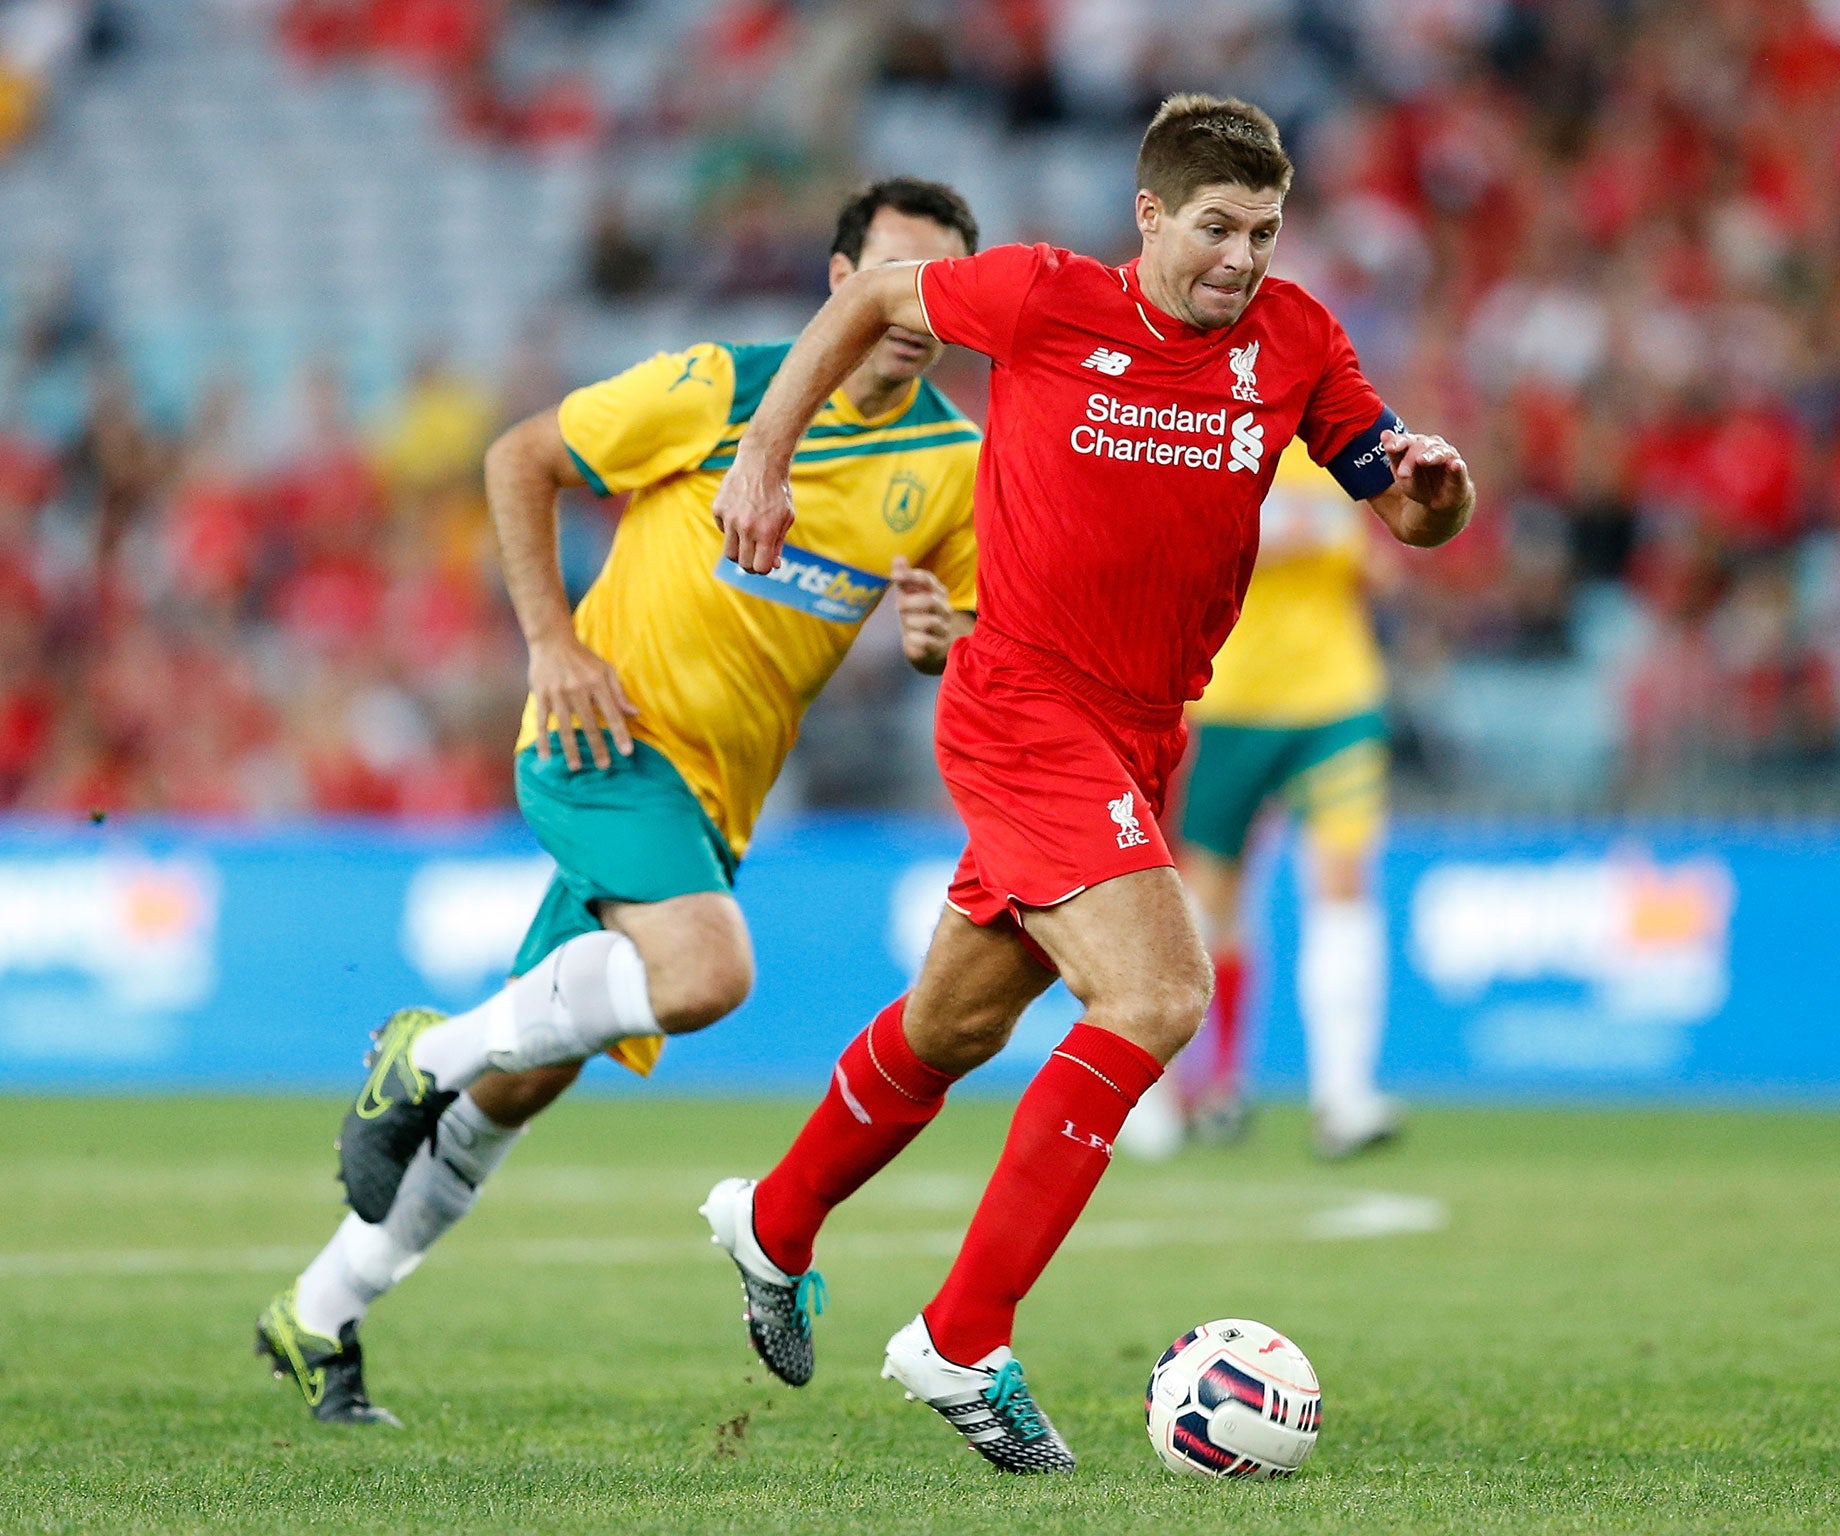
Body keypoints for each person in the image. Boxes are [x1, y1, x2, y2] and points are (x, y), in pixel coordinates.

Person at [706, 93, 1475, 1473]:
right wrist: (764, 450)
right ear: (1151, 217)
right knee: (1160, 993)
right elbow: (872, 298)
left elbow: (1406, 507)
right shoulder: (1046, 299)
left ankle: (772, 1222)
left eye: (1264, 231)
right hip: (1023, 705)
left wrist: (1436, 486)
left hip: (1145, 732)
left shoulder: (1293, 341)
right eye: (1219, 228)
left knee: (948, 1027)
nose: (1243, 258)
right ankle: (961, 1335)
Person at [255, 177, 985, 1426]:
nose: (911, 309)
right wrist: (551, 642)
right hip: (604, 739)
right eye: (890, 275)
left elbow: (969, 644)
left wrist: (935, 640)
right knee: (705, 975)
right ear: (833, 283)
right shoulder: (722, 386)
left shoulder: (954, 466)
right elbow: (518, 457)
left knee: (523, 1082)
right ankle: (415, 1053)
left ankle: (316, 1317)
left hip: (713, 807)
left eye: (936, 285)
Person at [1169, 436, 1401, 1158]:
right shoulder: (1204, 442)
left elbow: (1382, 562)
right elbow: (1176, 549)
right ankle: (1202, 1085)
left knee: (1342, 876)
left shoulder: (1350, 454)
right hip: (1225, 700)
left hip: (1336, 699)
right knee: (1212, 898)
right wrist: (1279, 538)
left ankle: (1343, 1098)